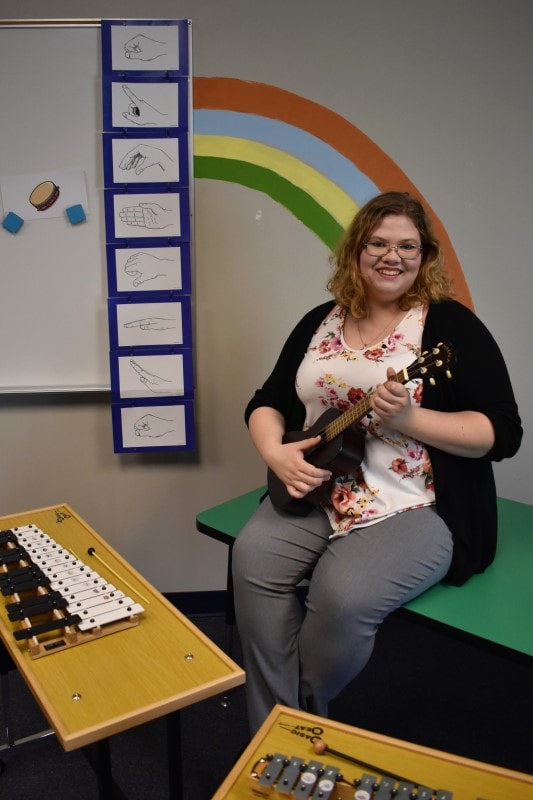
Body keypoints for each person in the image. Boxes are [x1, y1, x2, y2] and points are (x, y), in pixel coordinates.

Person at [232, 191, 522, 733]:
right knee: (251, 561)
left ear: (425, 256)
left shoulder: (450, 328)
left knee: (341, 596)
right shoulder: (321, 321)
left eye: (407, 245)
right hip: (322, 485)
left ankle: (295, 718)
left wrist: (412, 421)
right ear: (356, 252)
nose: (393, 256)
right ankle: (272, 736)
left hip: (417, 504)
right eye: (379, 243)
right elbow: (267, 400)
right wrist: (275, 451)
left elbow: (503, 432)